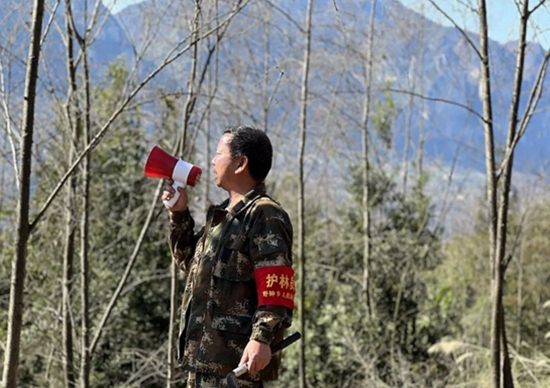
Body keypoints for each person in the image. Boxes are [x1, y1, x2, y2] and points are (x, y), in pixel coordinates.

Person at [163, 125, 294, 388]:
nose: (212, 160)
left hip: (235, 366)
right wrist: (179, 214)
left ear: (240, 163)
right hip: (202, 362)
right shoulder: (221, 216)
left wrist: (261, 338)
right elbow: (191, 266)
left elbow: (276, 285)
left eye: (218, 153)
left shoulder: (264, 215)